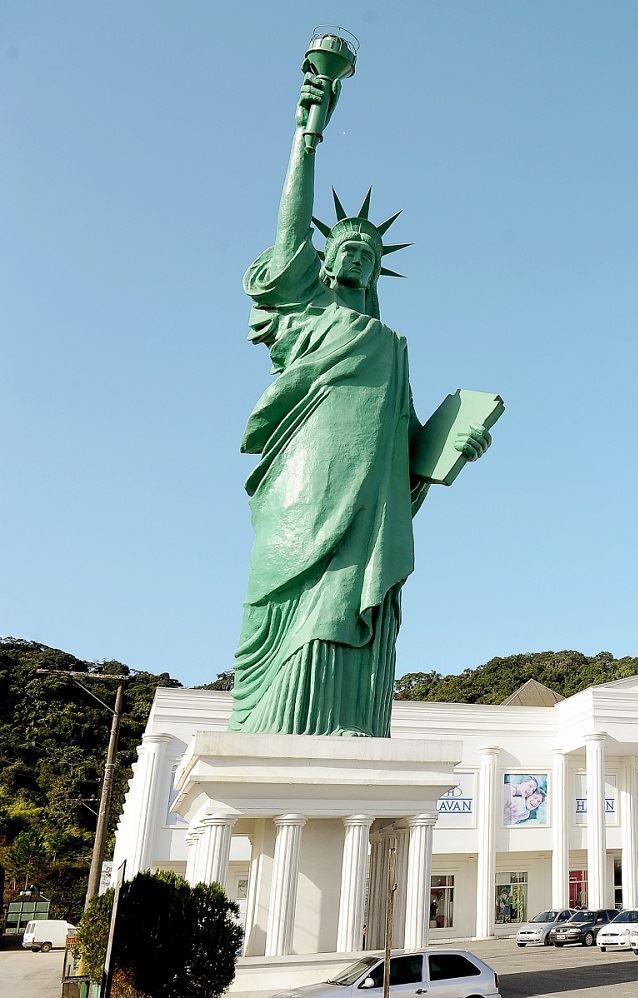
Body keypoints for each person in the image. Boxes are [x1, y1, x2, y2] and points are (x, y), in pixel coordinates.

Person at [228, 68, 492, 736]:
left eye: (366, 255)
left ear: (377, 272)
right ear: (323, 261)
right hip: (305, 477)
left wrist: (454, 447)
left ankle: (344, 718)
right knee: (288, 589)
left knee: (350, 594)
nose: (354, 258)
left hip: (370, 496)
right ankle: (274, 720)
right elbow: (291, 233)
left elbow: (407, 445)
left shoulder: (390, 345)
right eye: (343, 248)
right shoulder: (305, 311)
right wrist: (307, 138)